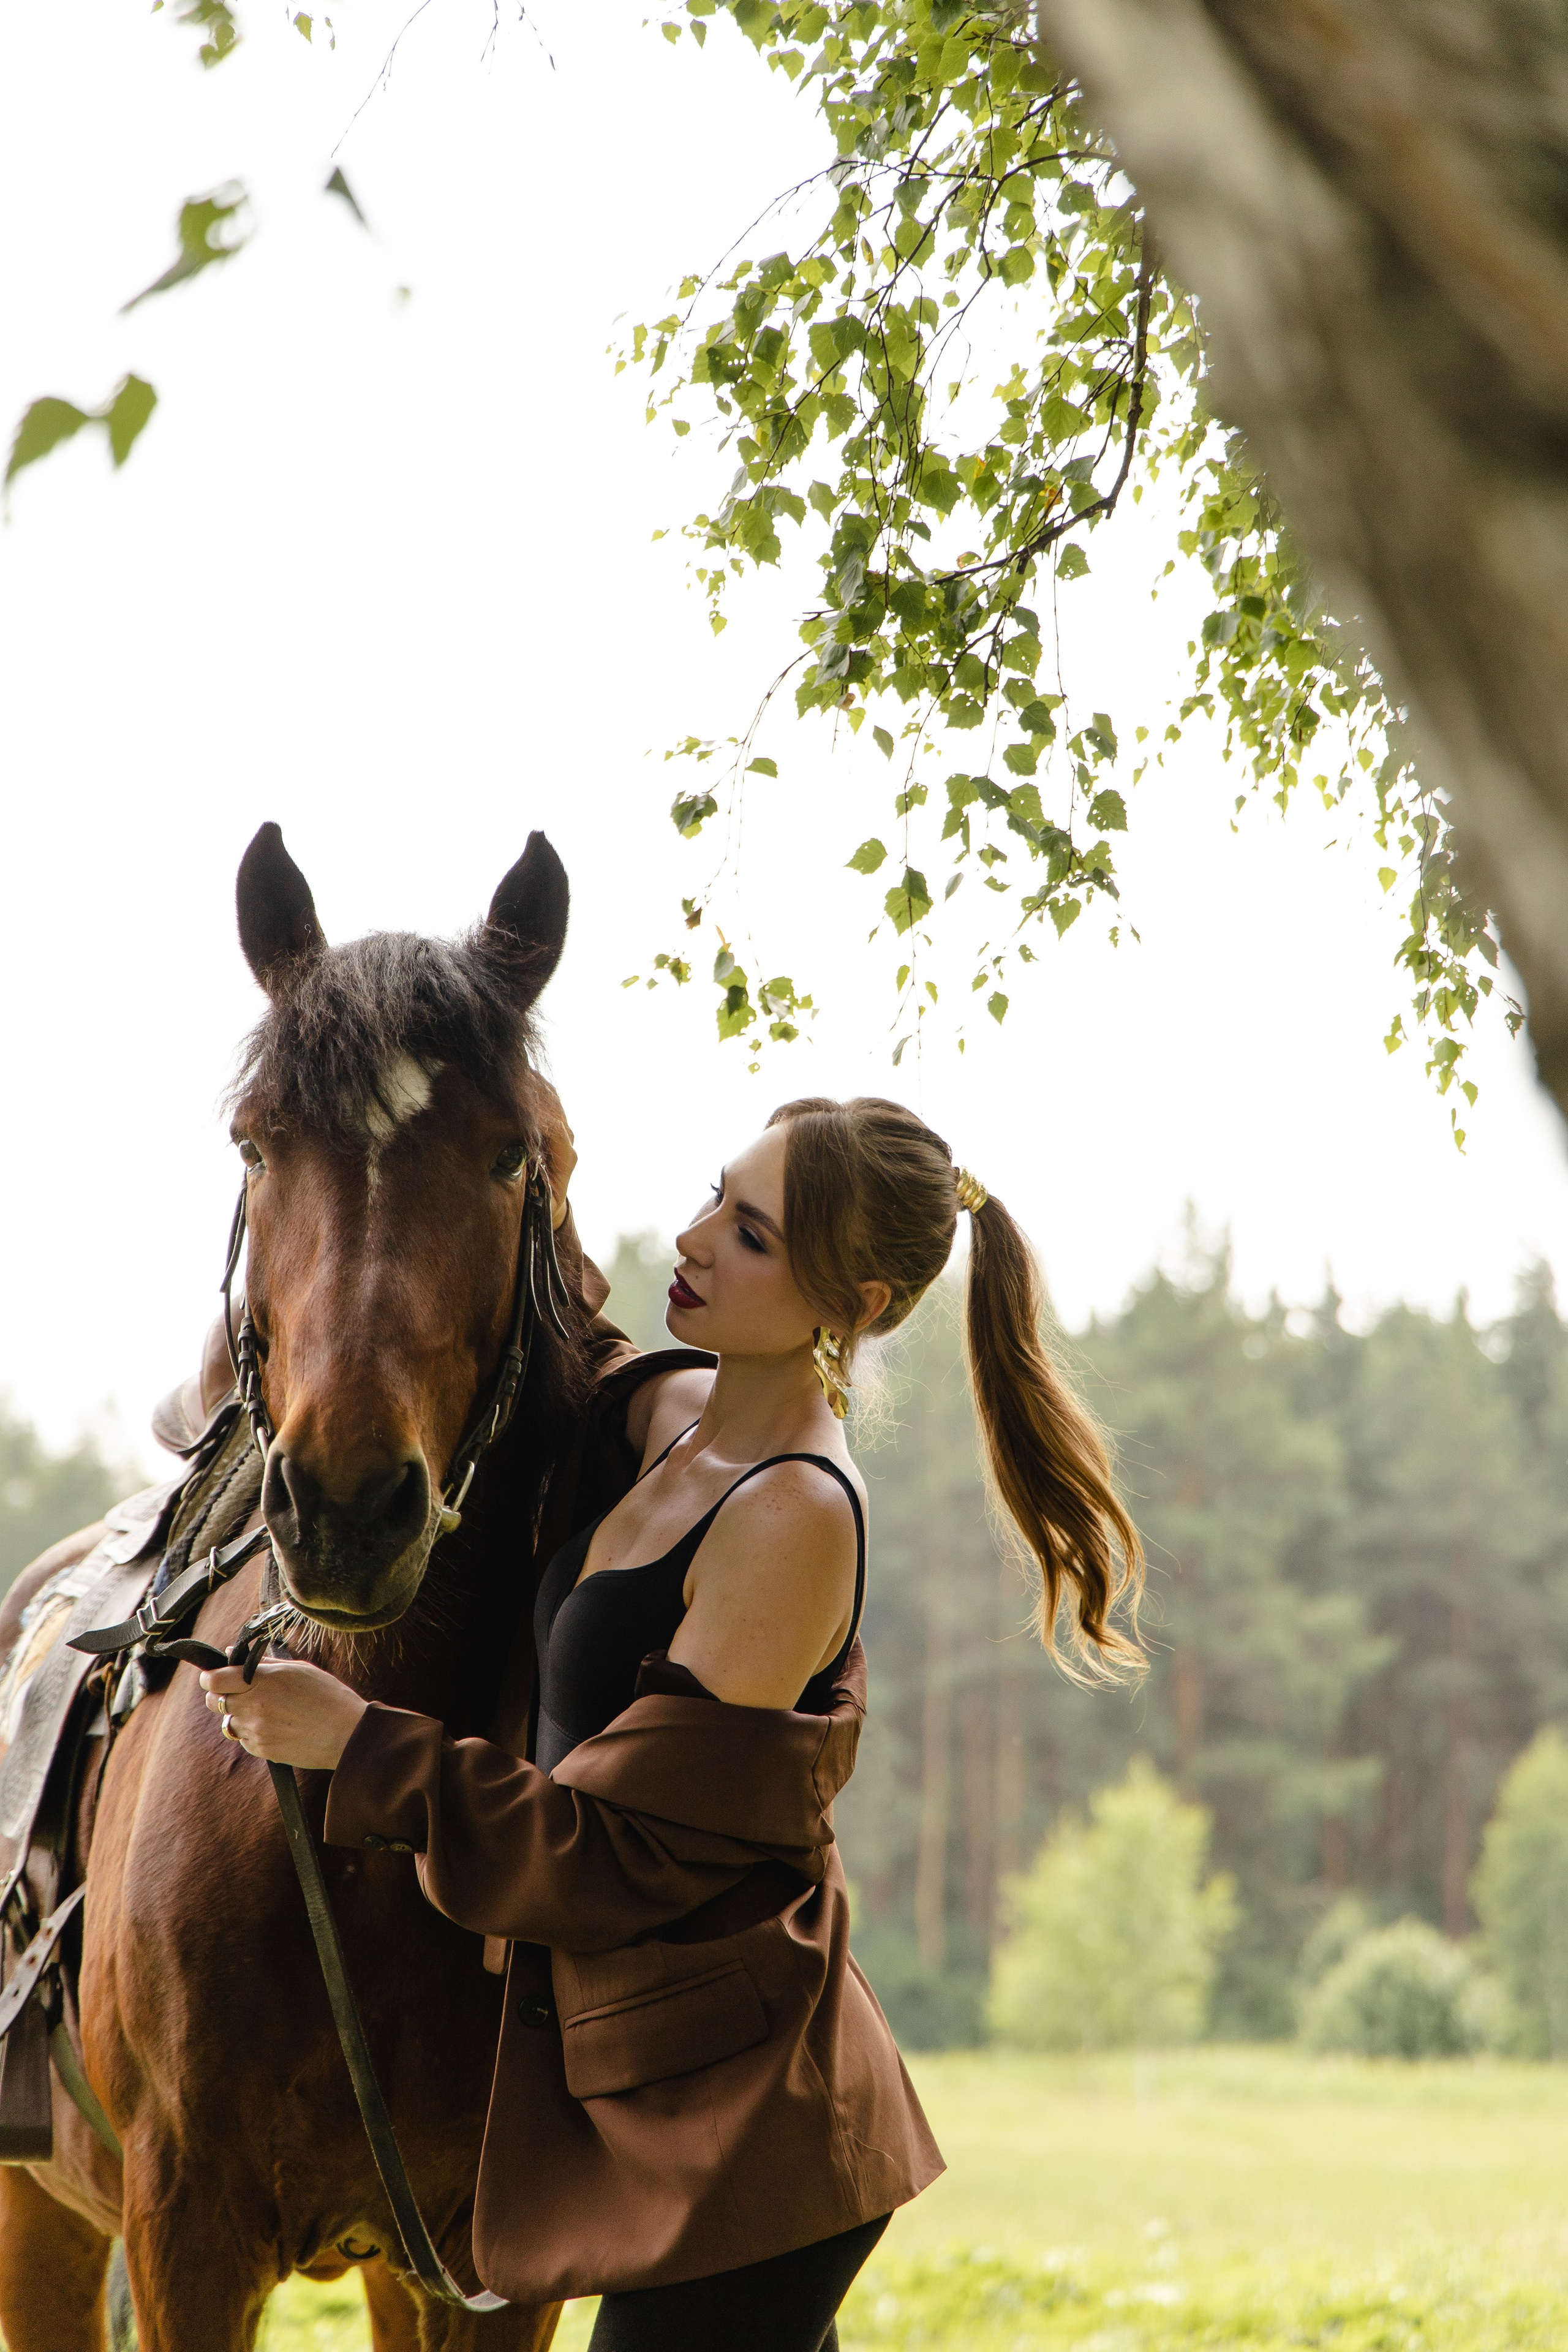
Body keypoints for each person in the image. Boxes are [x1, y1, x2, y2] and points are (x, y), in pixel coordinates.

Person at [200, 1095, 1144, 2348]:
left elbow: (616, 1854)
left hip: (749, 2134)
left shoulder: (791, 1518)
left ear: (853, 1304)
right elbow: (537, 1340)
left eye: (749, 1237)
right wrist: (528, 1167)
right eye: (715, 1194)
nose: (696, 1239)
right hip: (664, 2094)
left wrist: (354, 1742)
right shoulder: (670, 1416)